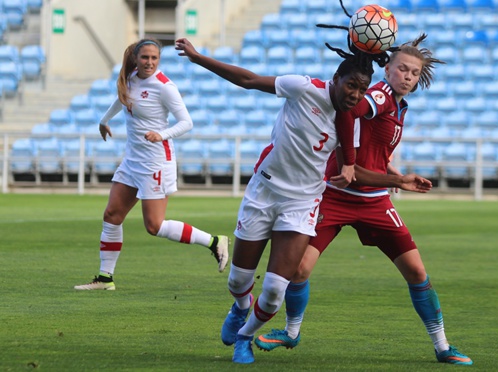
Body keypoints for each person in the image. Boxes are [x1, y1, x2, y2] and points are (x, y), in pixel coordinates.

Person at [255, 34, 474, 366]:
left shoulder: (399, 105)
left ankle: (443, 346)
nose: (408, 77)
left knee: (416, 271)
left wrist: (389, 170)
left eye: (414, 73)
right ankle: (291, 331)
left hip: (374, 201)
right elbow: (350, 109)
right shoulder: (380, 95)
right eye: (403, 69)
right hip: (335, 195)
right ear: (387, 68)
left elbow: (371, 148)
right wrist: (391, 177)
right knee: (299, 269)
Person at [174, 33, 389, 364]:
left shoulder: (353, 112)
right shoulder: (303, 88)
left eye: (361, 90)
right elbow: (248, 80)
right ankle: (241, 307)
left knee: (275, 290)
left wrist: (352, 165)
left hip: (301, 203)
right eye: (351, 86)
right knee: (238, 281)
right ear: (336, 79)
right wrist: (198, 57)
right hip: (264, 191)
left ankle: (246, 337)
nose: (355, 95)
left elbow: (357, 136)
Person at [74, 38, 229, 291]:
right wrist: (104, 120)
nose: (149, 62)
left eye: (154, 58)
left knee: (154, 226)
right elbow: (123, 99)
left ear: (159, 60)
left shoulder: (165, 87)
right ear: (136, 58)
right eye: (145, 57)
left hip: (156, 162)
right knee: (112, 215)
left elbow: (186, 122)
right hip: (132, 160)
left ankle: (214, 241)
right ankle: (105, 279)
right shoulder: (132, 77)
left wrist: (162, 134)